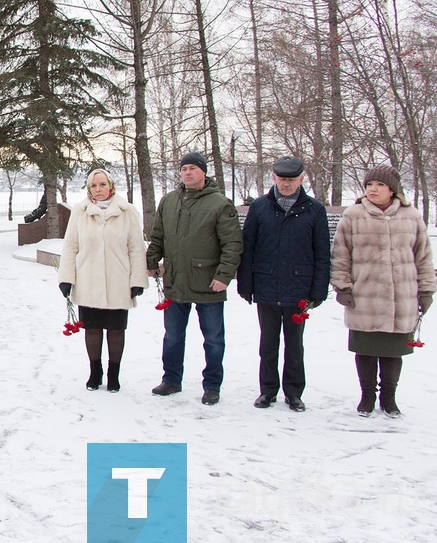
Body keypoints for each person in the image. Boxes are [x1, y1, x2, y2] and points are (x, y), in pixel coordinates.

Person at [330, 165, 435, 417]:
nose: (373, 189)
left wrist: (426, 290)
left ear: (392, 189)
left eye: (379, 185)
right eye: (369, 185)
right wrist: (342, 285)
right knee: (365, 349)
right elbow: (341, 254)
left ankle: (389, 397)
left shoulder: (411, 217)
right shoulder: (353, 215)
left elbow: (423, 256)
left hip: (401, 297)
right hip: (364, 296)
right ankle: (367, 396)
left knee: (393, 351)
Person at [146, 152, 243, 405]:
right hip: (176, 281)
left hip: (209, 282)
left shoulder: (220, 204)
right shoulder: (169, 201)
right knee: (173, 336)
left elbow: (232, 244)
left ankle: (212, 386)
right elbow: (158, 236)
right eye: (184, 168)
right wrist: (152, 260)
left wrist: (224, 276)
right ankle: (171, 380)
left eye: (193, 168)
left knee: (213, 338)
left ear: (203, 172)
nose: (188, 172)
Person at [237, 156, 330, 412]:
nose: (286, 184)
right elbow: (248, 247)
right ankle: (267, 390)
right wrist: (246, 284)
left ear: (301, 180)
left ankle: (294, 393)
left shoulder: (314, 210)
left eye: (291, 180)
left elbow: (322, 253)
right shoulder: (260, 207)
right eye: (282, 179)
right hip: (266, 285)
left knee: (294, 345)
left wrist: (318, 290)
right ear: (274, 178)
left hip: (298, 288)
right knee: (267, 343)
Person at [58, 169, 148, 392]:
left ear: (111, 185)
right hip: (88, 280)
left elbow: (136, 248)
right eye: (94, 186)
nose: (98, 190)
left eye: (102, 184)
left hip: (118, 281)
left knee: (116, 330)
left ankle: (114, 374)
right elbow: (70, 246)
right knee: (92, 328)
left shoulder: (127, 212)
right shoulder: (80, 212)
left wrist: (137, 279)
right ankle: (95, 371)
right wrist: (66, 278)